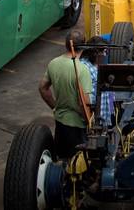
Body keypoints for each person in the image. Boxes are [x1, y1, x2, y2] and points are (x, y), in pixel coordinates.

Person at [38, 29, 94, 159]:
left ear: (65, 45)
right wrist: (90, 124)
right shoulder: (82, 70)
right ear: (83, 46)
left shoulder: (54, 63)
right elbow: (83, 103)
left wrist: (55, 106)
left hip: (60, 123)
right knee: (77, 167)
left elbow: (43, 88)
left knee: (62, 161)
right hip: (77, 128)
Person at [80, 36, 114, 127]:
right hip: (93, 119)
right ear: (95, 53)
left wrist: (111, 110)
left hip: (103, 119)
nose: (105, 55)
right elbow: (85, 96)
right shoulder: (84, 67)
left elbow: (108, 92)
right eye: (104, 52)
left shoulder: (97, 65)